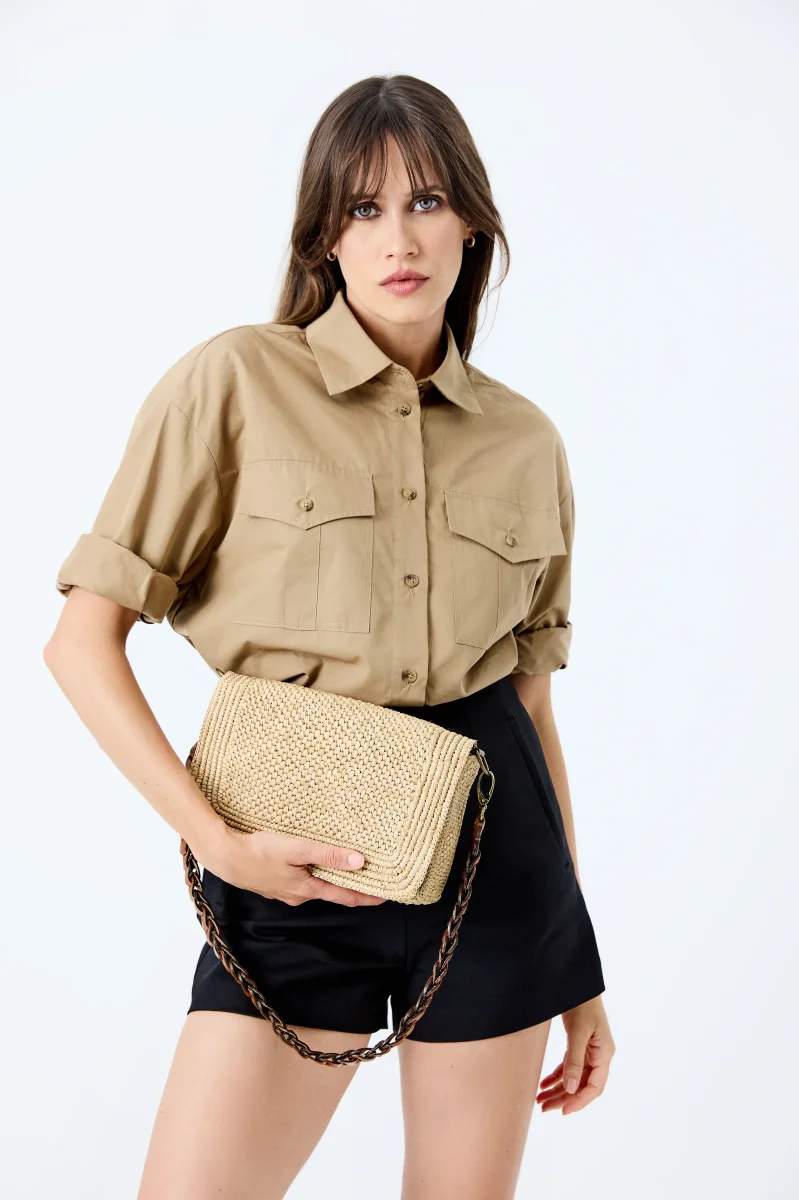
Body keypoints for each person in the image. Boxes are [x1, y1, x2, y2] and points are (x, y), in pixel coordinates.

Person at [45, 73, 615, 1200]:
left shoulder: (525, 440)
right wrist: (218, 843)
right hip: (287, 865)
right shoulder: (236, 381)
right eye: (363, 208)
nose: (399, 237)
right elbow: (81, 642)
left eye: (426, 201)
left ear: (471, 225)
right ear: (324, 237)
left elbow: (531, 706)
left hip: (495, 874)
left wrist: (575, 964)